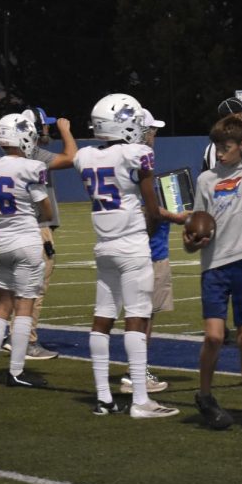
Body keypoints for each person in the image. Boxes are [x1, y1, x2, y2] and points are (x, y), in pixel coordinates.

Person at [74, 96, 178, 418]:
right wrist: (180, 219)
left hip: (103, 245)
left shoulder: (85, 156)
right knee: (137, 317)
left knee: (102, 317)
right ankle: (141, 400)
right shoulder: (137, 154)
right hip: (131, 244)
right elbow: (151, 208)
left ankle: (104, 398)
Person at [186, 113, 242, 431]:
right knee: (214, 337)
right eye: (217, 146)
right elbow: (197, 222)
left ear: (240, 146)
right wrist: (194, 239)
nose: (221, 153)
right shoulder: (205, 180)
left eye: (227, 146)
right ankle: (205, 395)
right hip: (215, 265)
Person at [0, 113, 54, 389]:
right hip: (26, 241)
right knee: (24, 306)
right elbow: (47, 210)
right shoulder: (31, 167)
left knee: (2, 305)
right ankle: (15, 371)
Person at [118, 108, 188, 394]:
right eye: (151, 129)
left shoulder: (120, 160)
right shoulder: (138, 160)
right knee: (143, 315)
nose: (154, 135)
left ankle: (136, 370)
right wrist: (178, 217)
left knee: (141, 313)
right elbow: (149, 213)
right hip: (148, 251)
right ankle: (136, 373)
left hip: (132, 249)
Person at [9, 106, 78, 359]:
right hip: (37, 229)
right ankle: (26, 340)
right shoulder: (34, 155)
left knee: (15, 289)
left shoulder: (8, 158)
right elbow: (71, 157)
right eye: (45, 125)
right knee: (35, 287)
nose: (48, 129)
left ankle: (14, 336)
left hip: (11, 229)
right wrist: (66, 131)